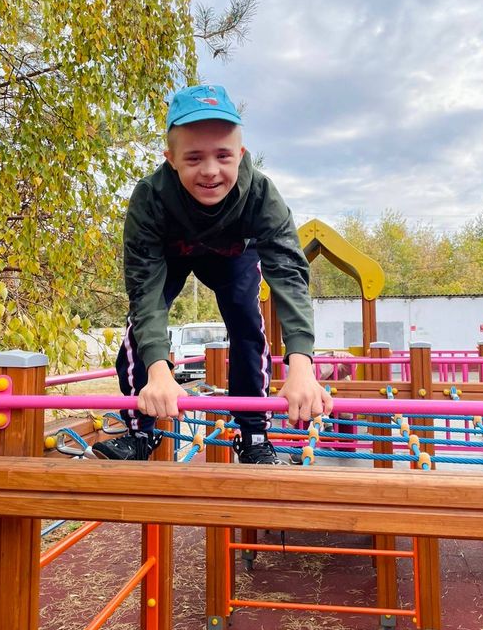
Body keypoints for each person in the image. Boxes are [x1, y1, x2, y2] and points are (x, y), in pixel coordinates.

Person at [93, 84, 333, 464]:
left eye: (223, 156)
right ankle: (140, 432)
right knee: (139, 329)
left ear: (241, 154)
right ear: (171, 159)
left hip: (232, 258)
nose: (209, 171)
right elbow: (144, 292)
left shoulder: (261, 195)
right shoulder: (150, 198)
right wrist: (159, 371)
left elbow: (289, 274)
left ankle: (254, 436)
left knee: (247, 324)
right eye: (193, 158)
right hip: (170, 257)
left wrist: (302, 365)